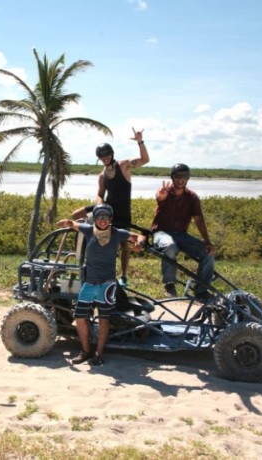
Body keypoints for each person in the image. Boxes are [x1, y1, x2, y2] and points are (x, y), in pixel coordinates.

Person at [56, 203, 145, 366]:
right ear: (95, 218)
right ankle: (85, 350)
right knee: (79, 317)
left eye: (106, 217)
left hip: (107, 285)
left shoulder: (118, 233)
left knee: (104, 320)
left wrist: (139, 243)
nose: (103, 220)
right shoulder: (89, 230)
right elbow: (73, 224)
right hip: (89, 283)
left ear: (110, 219)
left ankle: (98, 354)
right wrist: (67, 223)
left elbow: (138, 236)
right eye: (99, 216)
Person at [151, 163, 216, 298]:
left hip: (181, 234)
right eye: (177, 176)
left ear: (188, 178)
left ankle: (201, 289)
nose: (180, 180)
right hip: (162, 233)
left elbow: (198, 219)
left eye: (184, 177)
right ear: (172, 177)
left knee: (208, 252)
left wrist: (207, 241)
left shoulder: (192, 197)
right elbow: (159, 197)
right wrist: (161, 196)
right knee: (169, 246)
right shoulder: (165, 191)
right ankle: (169, 284)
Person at [95, 128, 150, 287]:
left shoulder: (124, 165)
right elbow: (100, 194)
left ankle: (124, 276)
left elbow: (144, 160)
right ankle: (105, 274)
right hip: (109, 214)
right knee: (105, 244)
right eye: (101, 156)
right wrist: (100, 206)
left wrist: (140, 142)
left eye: (107, 154)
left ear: (111, 154)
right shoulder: (102, 175)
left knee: (124, 245)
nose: (104, 158)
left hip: (123, 213)